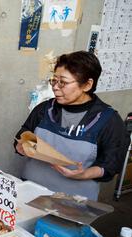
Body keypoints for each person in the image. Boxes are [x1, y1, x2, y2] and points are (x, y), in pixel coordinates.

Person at [14, 51, 130, 200]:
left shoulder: (108, 120)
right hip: (29, 192)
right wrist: (21, 147)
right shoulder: (44, 109)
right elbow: (22, 135)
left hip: (73, 203)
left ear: (87, 84)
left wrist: (85, 174)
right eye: (54, 80)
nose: (55, 87)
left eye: (63, 82)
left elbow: (111, 166)